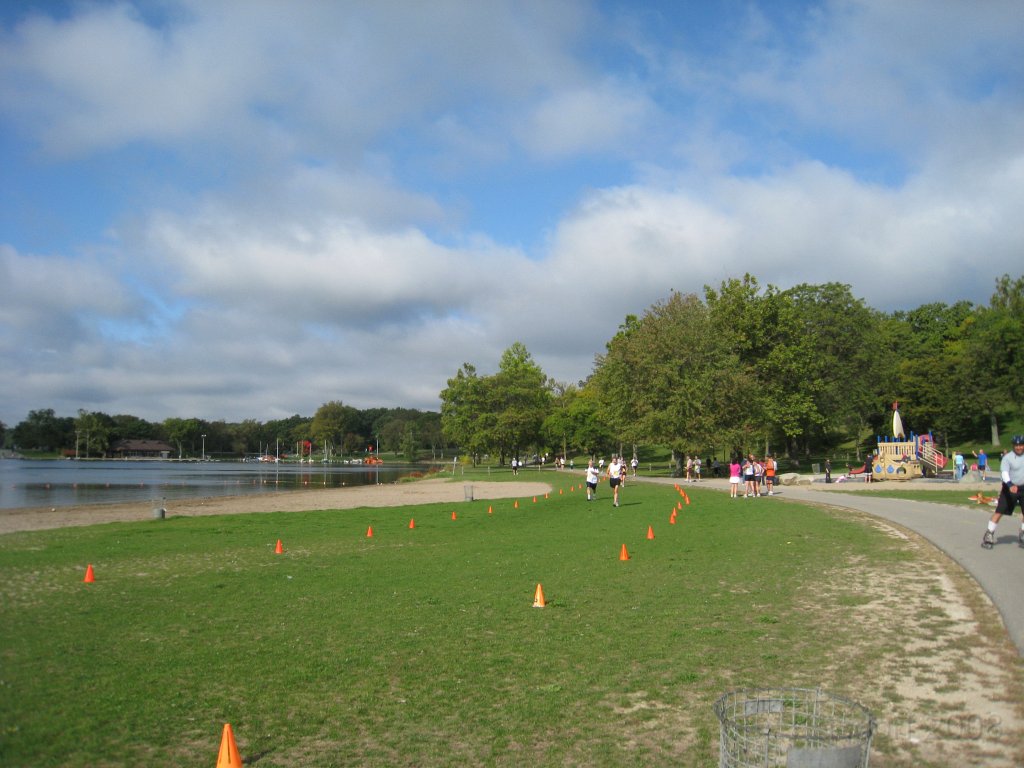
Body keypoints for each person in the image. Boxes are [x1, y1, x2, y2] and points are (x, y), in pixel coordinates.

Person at [981, 435, 1024, 549]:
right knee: (999, 511)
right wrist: (1010, 484)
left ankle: (1023, 533)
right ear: (1013, 446)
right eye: (1016, 445)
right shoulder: (1008, 458)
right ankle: (989, 534)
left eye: (1021, 445)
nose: (1019, 447)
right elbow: (1004, 473)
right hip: (1009, 488)